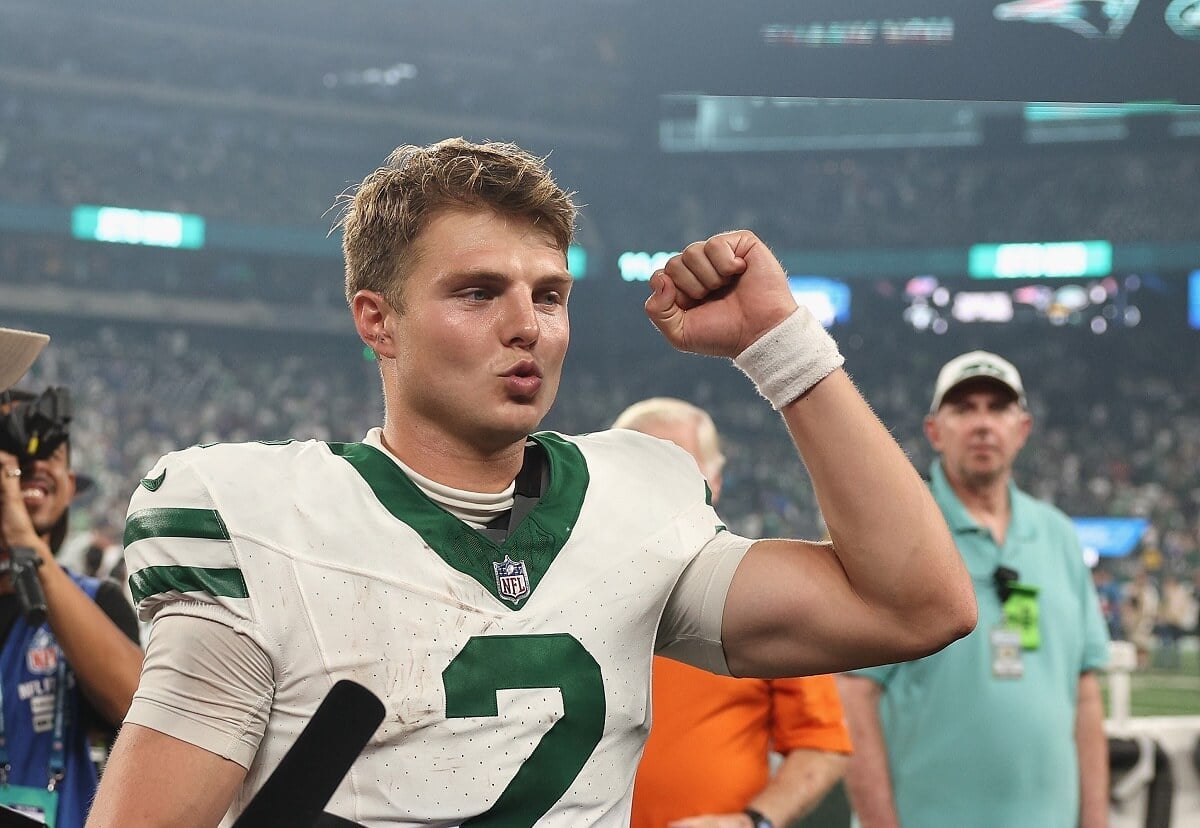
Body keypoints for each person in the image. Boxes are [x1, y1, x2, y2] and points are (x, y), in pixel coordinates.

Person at [88, 137, 974, 827]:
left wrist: (778, 342)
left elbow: (917, 607)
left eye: (549, 295)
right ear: (377, 320)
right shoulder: (253, 517)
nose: (527, 326)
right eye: (477, 293)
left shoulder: (640, 500)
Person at [837, 350, 1110, 828]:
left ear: (1022, 429)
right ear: (934, 431)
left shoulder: (1058, 536)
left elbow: (1084, 693)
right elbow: (855, 698)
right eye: (964, 409)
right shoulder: (899, 533)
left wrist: (1096, 820)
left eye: (997, 408)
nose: (982, 424)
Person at [614, 397, 851, 828]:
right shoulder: (562, 588)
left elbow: (822, 743)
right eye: (636, 467)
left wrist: (753, 821)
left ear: (714, 481)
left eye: (677, 466)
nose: (653, 484)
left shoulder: (763, 594)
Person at [0, 330, 144, 828]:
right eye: (18, 446)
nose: (38, 463)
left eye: (55, 456)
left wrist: (21, 536)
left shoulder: (96, 600)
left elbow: (134, 706)